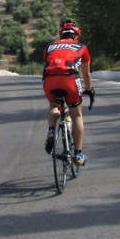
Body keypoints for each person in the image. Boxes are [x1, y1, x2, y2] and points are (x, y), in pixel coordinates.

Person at [42, 19, 94, 166]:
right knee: (76, 115)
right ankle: (78, 155)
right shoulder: (81, 47)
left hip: (50, 80)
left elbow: (48, 63)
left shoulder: (49, 47)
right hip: (69, 80)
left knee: (53, 105)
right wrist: (89, 90)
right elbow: (86, 74)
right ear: (76, 35)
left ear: (61, 34)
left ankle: (51, 130)